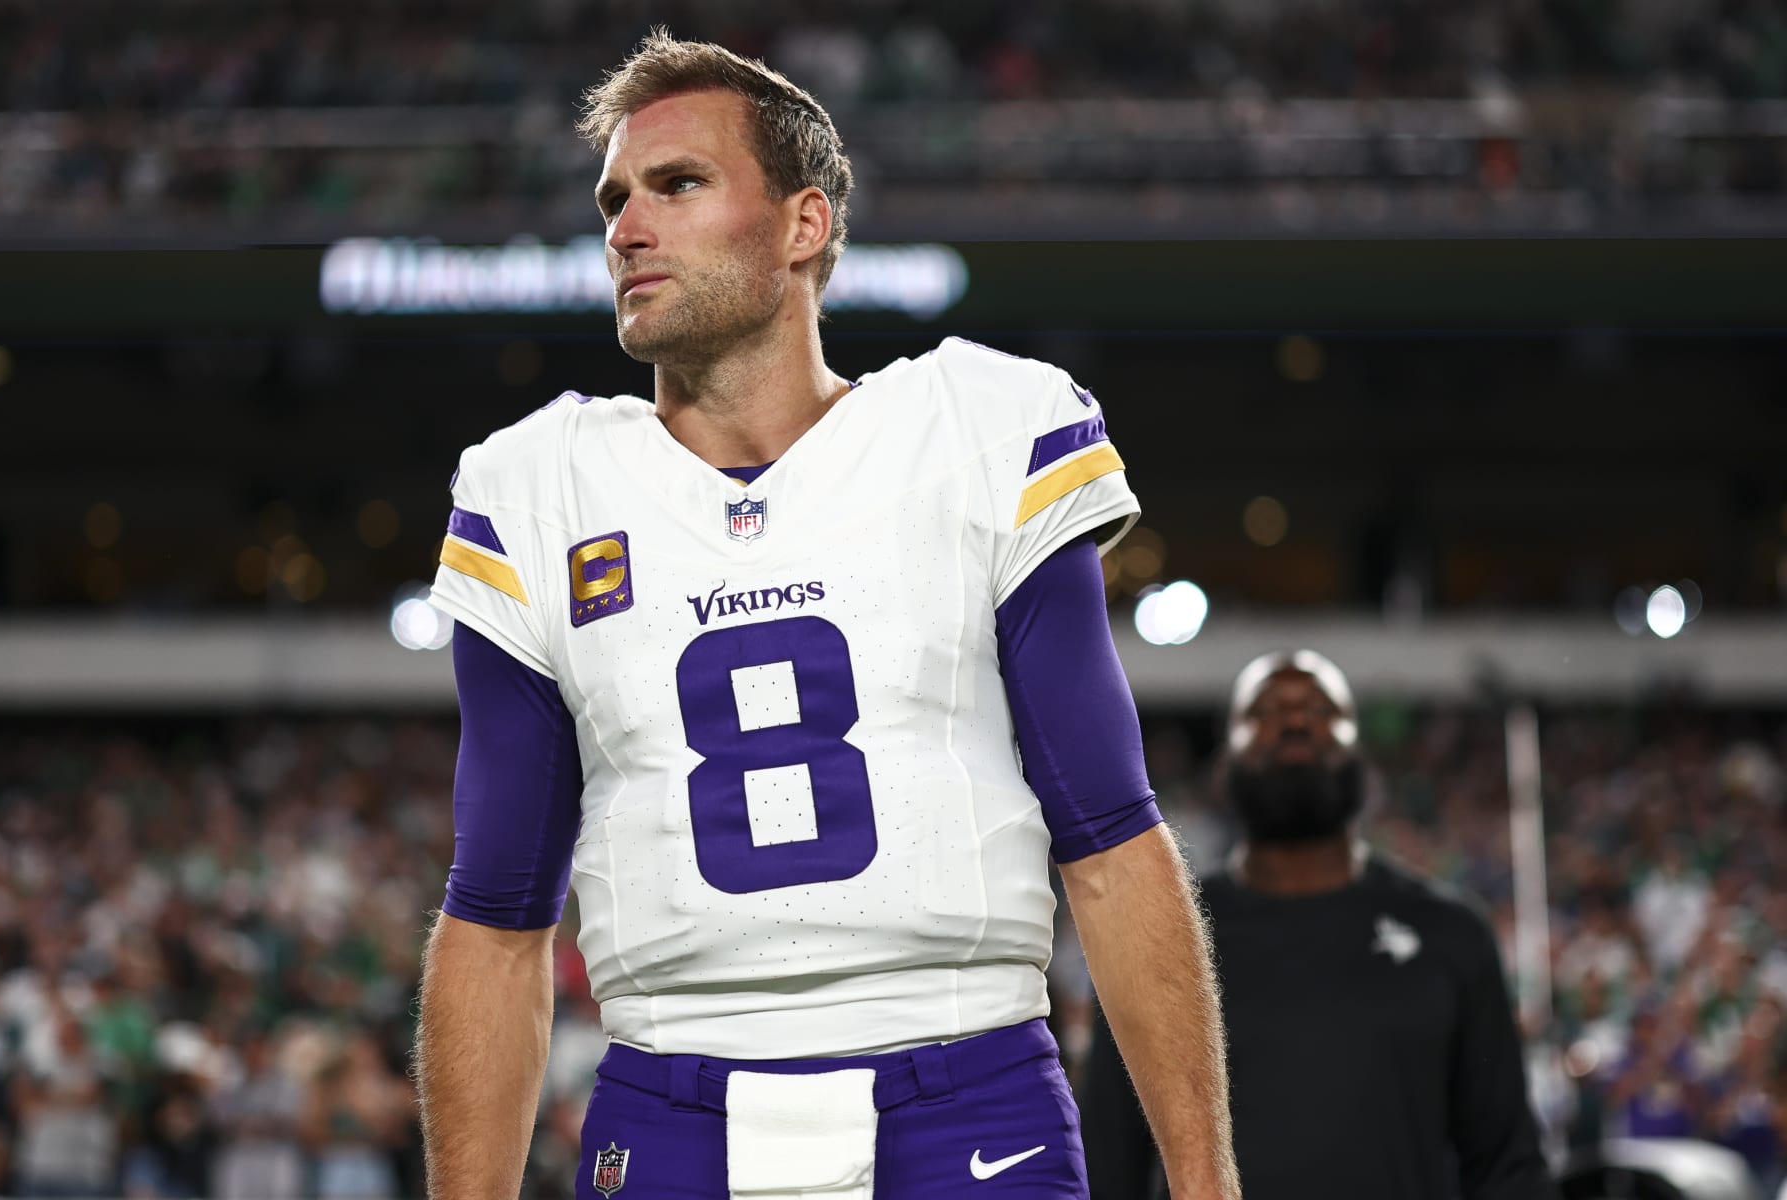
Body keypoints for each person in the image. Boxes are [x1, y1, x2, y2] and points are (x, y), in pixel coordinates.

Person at [414, 29, 1237, 1200]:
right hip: (670, 1098)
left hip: (967, 1084)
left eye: (678, 184)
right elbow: (495, 923)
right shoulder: (533, 486)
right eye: (615, 198)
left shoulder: (979, 426)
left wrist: (1206, 1184)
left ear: (804, 225)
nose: (626, 228)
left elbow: (1109, 840)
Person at [1082, 650, 1557, 1200]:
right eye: (1263, 712)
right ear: (1222, 763)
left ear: (1361, 752)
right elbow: (1107, 1163)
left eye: (1321, 708)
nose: (1295, 720)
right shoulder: (1157, 938)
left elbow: (1507, 1167)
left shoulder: (1451, 934)